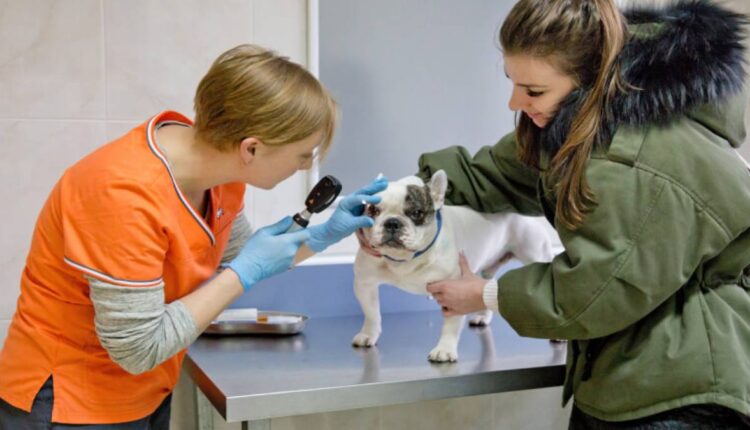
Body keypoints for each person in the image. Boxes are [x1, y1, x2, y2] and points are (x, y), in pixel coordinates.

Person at [0, 44, 386, 429]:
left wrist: (324, 235)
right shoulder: (122, 194)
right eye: (304, 154)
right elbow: (139, 347)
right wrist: (244, 272)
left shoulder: (220, 174)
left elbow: (247, 257)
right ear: (251, 148)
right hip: (67, 402)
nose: (307, 166)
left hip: (144, 391)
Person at [416, 0, 750, 428]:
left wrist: (484, 294)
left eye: (534, 91)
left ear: (590, 83)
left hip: (678, 390)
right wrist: (403, 195)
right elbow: (497, 173)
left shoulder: (631, 160)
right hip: (630, 375)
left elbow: (595, 287)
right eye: (512, 82)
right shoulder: (579, 130)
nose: (514, 103)